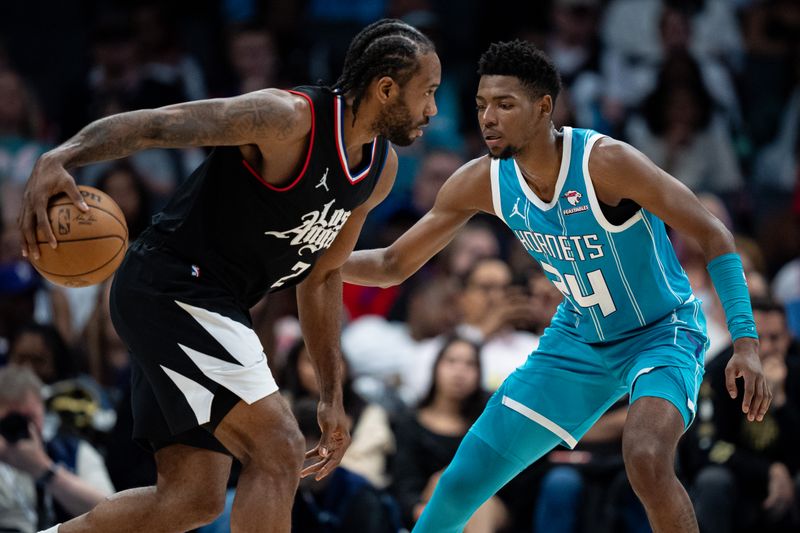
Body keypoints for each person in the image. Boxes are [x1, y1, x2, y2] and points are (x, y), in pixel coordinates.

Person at [18, 18, 440, 533]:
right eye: (428, 92)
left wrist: (332, 395)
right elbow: (162, 123)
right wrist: (63, 155)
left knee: (191, 500)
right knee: (280, 447)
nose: (433, 110)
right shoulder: (287, 119)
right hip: (174, 284)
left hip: (210, 303)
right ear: (387, 88)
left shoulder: (380, 170)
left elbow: (324, 276)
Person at [342, 40, 768, 532]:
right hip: (578, 340)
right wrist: (312, 259)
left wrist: (746, 341)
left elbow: (714, 234)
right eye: (481, 106)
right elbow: (394, 263)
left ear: (544, 107)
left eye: (504, 105)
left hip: (661, 333)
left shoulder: (606, 163)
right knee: (461, 479)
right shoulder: (479, 181)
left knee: (647, 458)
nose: (488, 119)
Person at [0, 365, 113, 533]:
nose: (20, 427)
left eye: (29, 417)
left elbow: (112, 515)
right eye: (10, 419)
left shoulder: (74, 451)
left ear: (43, 412)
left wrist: (45, 470)